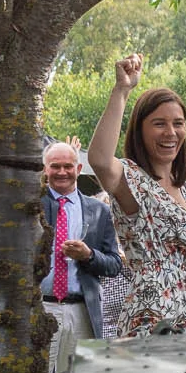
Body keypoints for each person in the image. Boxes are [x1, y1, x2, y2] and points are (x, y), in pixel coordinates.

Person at [88, 56, 186, 337]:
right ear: (140, 129)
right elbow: (99, 159)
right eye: (159, 123)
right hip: (154, 316)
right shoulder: (131, 178)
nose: (171, 132)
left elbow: (182, 261)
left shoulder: (182, 187)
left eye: (178, 123)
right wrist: (122, 90)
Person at [40, 141, 122, 342]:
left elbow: (114, 265)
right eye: (55, 166)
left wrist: (89, 255)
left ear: (78, 169)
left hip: (82, 311)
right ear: (45, 169)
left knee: (76, 372)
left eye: (67, 166)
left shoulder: (99, 211)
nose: (62, 172)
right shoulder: (33, 205)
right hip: (41, 308)